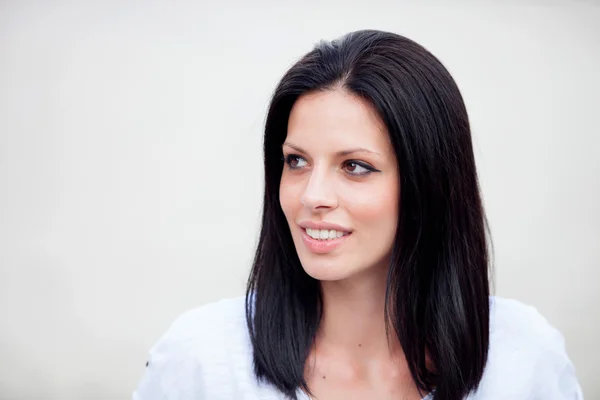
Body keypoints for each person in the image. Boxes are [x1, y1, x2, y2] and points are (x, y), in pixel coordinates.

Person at [133, 29, 583, 400]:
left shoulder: (525, 360)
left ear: (429, 182)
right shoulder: (199, 363)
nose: (312, 195)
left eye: (355, 167)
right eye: (296, 161)